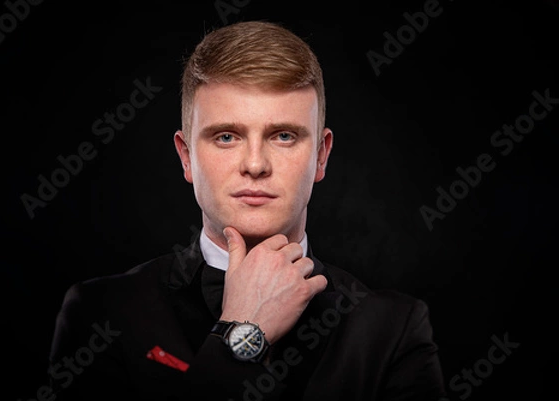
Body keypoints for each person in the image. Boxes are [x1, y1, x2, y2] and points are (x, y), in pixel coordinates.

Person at [49, 20, 446, 401]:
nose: (255, 164)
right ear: (186, 157)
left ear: (321, 156)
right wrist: (243, 332)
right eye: (226, 137)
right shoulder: (101, 314)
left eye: (284, 136)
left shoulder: (393, 329)